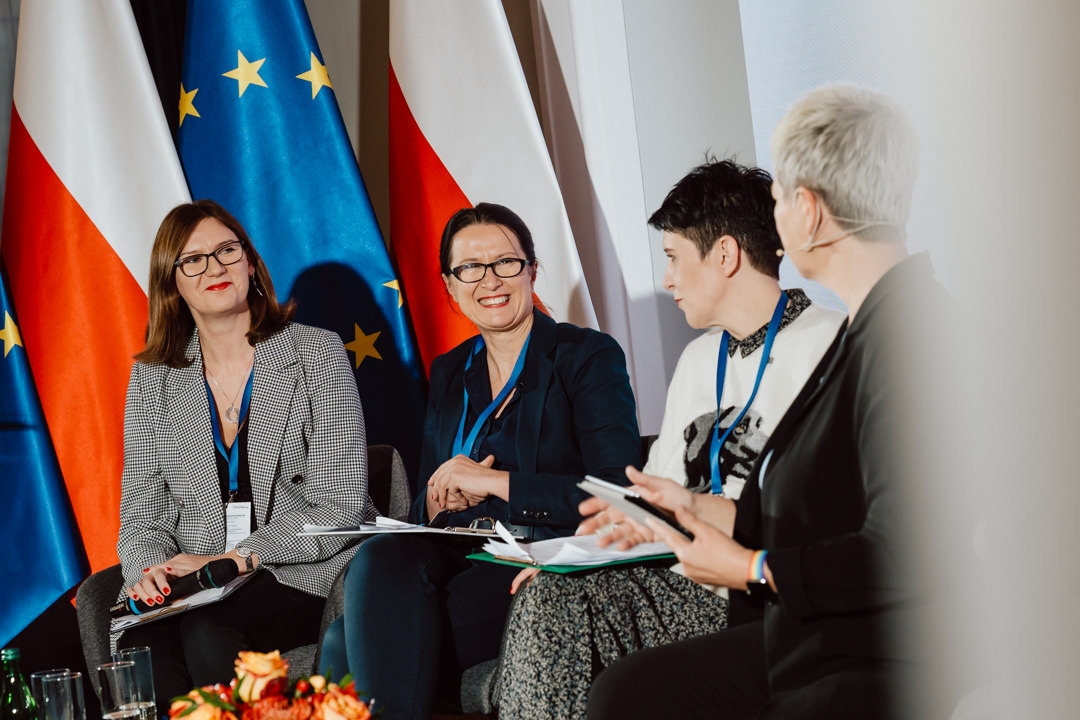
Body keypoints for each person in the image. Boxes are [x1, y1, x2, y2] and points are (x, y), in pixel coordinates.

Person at [586, 86, 952, 719]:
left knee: (629, 693)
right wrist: (687, 505)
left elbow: (907, 549)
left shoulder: (904, 337)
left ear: (807, 211)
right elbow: (823, 517)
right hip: (815, 635)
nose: (772, 222)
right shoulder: (868, 333)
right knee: (627, 688)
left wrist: (754, 567)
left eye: (780, 198)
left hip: (866, 653)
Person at [493, 159, 845, 719]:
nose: (667, 281)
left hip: (743, 584)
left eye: (674, 258)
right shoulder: (700, 357)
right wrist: (580, 558)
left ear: (725, 255)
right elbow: (653, 501)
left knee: (553, 610)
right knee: (544, 593)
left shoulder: (832, 347)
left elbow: (826, 513)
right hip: (671, 573)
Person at [318, 203, 641, 719]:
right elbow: (427, 498)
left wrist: (495, 482)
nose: (489, 280)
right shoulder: (449, 371)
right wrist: (445, 495)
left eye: (505, 263)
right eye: (470, 268)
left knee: (343, 645)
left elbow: (616, 494)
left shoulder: (586, 356)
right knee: (379, 555)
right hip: (459, 555)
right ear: (449, 284)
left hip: (535, 561)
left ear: (531, 269)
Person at [115, 200, 373, 712]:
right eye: (193, 260)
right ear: (173, 283)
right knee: (140, 646)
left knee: (209, 629)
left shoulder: (316, 355)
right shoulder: (153, 379)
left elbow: (341, 506)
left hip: (292, 569)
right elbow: (140, 509)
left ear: (251, 263)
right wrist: (152, 571)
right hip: (193, 581)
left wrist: (237, 557)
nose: (214, 268)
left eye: (227, 251)